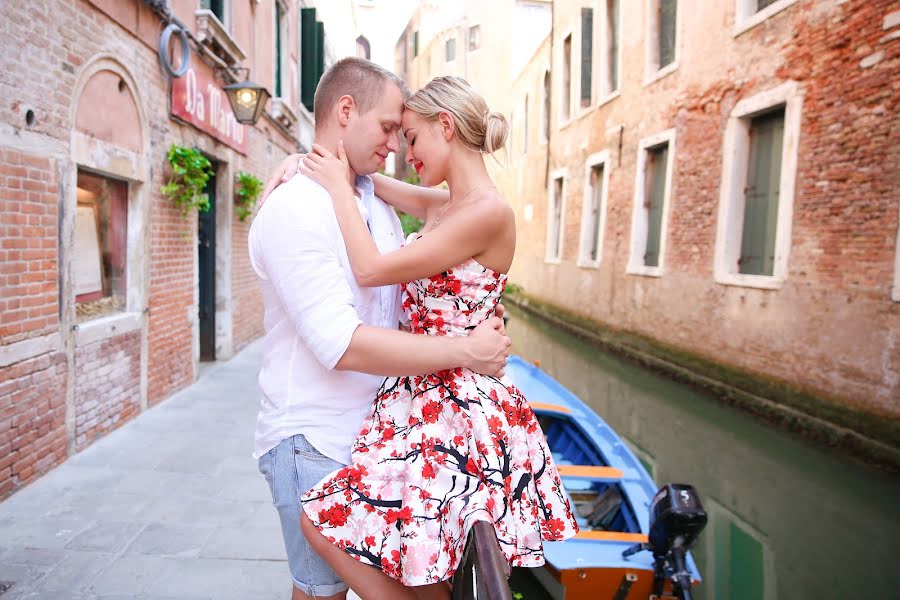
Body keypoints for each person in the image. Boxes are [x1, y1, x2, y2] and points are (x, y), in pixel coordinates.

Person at [276, 75, 578, 600]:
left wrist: (331, 189)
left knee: (333, 528)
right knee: (416, 564)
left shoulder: (488, 211)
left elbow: (371, 268)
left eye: (411, 138)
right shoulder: (447, 205)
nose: (403, 151)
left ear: (447, 126)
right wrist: (306, 163)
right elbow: (365, 180)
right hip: (416, 399)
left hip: (456, 411)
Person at [249, 59, 512, 600]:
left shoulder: (371, 197)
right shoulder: (298, 207)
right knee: (322, 593)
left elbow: (402, 288)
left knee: (420, 578)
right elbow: (341, 342)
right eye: (392, 128)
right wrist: (466, 345)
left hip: (388, 430)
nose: (397, 146)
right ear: (347, 111)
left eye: (406, 133)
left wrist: (474, 316)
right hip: (316, 436)